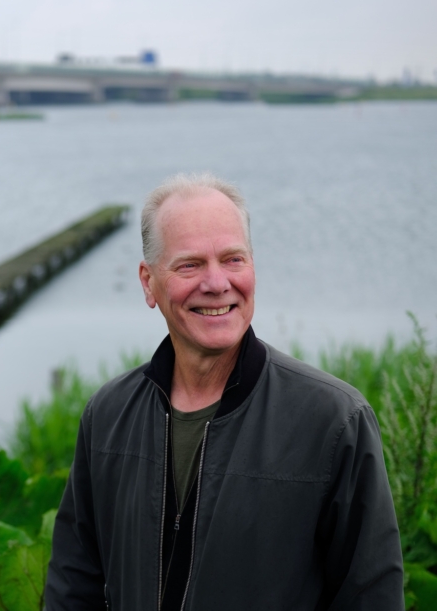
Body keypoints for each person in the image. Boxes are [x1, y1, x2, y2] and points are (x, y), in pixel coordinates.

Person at [45, 173, 404, 610]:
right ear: (148, 282)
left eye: (233, 260)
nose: (217, 283)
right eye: (190, 264)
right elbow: (72, 586)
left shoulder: (334, 422)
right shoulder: (107, 415)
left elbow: (372, 598)